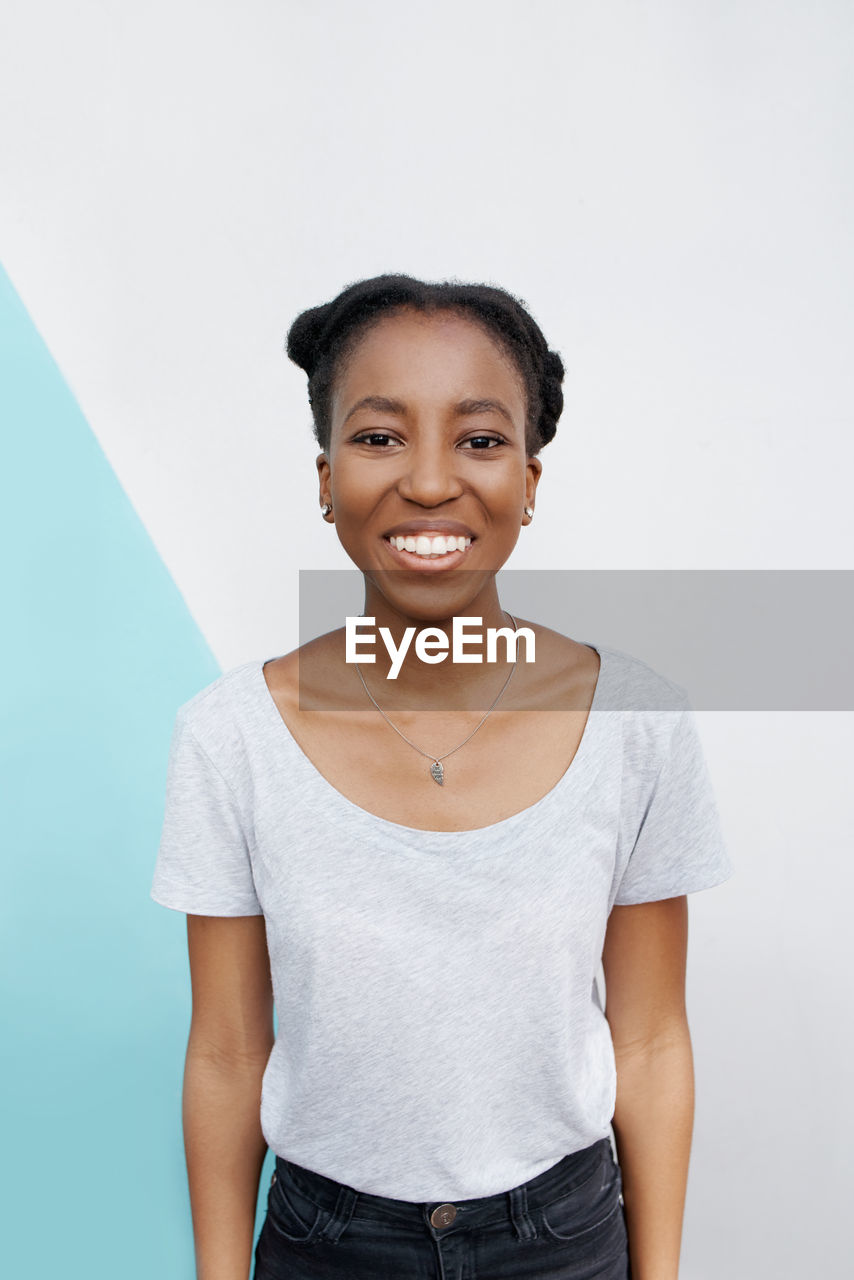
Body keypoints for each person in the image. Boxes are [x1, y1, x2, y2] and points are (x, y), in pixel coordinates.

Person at [151, 273, 733, 1280]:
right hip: (323, 1243)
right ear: (325, 475)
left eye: (478, 438)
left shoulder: (634, 719)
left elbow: (646, 1040)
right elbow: (227, 1051)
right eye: (379, 436)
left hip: (560, 1238)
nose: (427, 482)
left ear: (529, 480)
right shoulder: (230, 736)